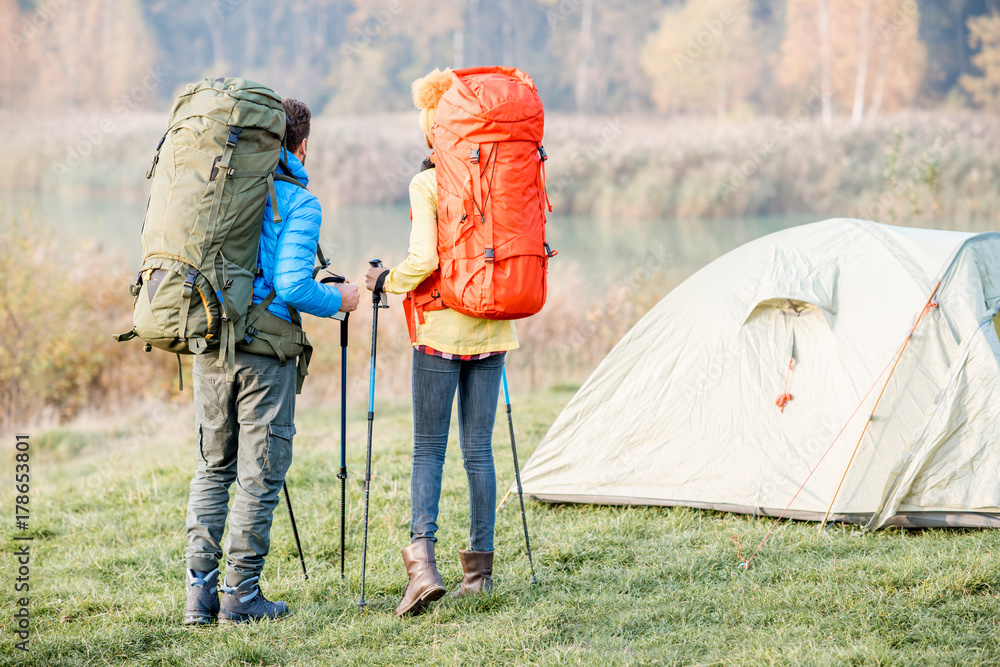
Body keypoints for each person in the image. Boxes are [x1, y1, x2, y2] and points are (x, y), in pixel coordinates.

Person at [184, 98, 360, 625]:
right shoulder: (299, 202)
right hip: (266, 357)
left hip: (211, 346)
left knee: (213, 469)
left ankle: (199, 598)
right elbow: (291, 285)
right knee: (259, 476)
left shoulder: (219, 191)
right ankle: (241, 598)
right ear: (300, 145)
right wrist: (342, 301)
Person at [365, 68, 518, 617]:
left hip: (439, 330)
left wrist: (385, 282)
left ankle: (422, 569)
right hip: (495, 327)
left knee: (428, 449)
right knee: (479, 450)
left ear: (435, 131)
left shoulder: (428, 183)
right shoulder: (502, 177)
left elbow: (425, 260)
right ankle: (479, 575)